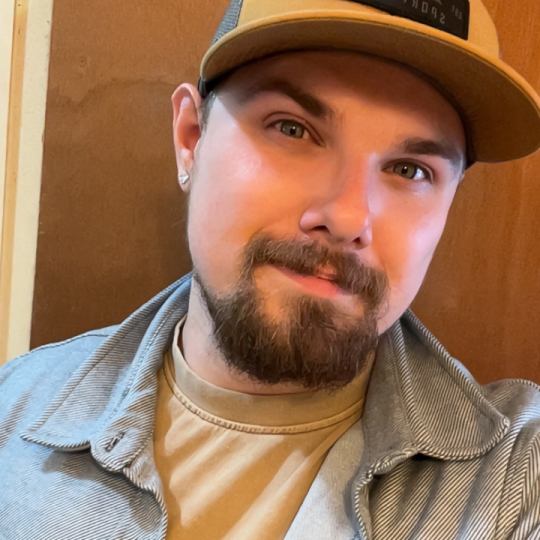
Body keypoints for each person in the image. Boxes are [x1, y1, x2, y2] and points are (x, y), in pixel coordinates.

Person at [2, 0, 540, 538]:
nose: (347, 217)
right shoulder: (13, 412)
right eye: (292, 129)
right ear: (190, 139)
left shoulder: (516, 476)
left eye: (409, 169)